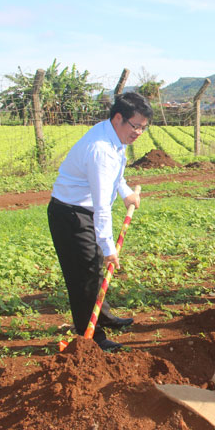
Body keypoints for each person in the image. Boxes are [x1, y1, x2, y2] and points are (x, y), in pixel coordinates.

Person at [48, 92, 152, 352]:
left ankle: (102, 315)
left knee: (93, 268)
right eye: (136, 126)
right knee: (84, 275)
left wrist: (126, 192)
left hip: (82, 210)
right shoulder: (100, 149)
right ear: (119, 118)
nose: (139, 132)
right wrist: (109, 248)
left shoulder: (114, 135)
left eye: (144, 127)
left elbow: (115, 174)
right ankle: (90, 337)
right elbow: (101, 206)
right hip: (70, 215)